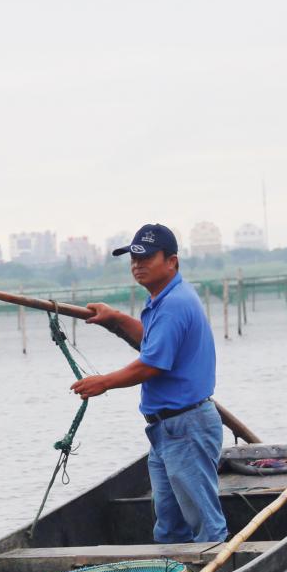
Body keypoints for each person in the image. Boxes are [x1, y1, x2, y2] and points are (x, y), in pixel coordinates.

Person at [70, 223, 228, 544]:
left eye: (146, 258)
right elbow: (151, 342)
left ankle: (218, 570)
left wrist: (104, 383)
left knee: (205, 524)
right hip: (166, 430)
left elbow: (152, 364)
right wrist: (116, 318)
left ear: (172, 261)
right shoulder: (163, 299)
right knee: (169, 525)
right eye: (133, 258)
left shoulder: (174, 305)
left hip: (185, 427)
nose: (137, 265)